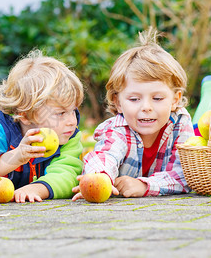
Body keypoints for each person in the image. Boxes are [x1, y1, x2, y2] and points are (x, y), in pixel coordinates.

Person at [72, 28, 194, 200]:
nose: (146, 107)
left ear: (175, 99)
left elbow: (185, 175)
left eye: (157, 98)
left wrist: (145, 185)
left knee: (206, 124)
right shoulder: (117, 129)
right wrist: (99, 176)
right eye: (135, 99)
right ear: (118, 102)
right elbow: (106, 154)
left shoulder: (180, 123)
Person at [0, 49, 84, 203]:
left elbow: (68, 174)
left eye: (73, 110)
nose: (72, 121)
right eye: (60, 113)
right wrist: (15, 157)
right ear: (25, 115)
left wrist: (37, 188)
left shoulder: (68, 136)